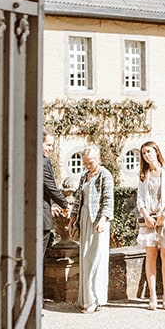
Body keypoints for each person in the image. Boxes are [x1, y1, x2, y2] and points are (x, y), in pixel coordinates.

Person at [135, 140, 165, 310]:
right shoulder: (143, 174)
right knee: (151, 255)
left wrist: (164, 214)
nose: (147, 155)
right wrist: (146, 215)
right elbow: (140, 197)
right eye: (144, 153)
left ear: (156, 152)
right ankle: (152, 295)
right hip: (149, 219)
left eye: (149, 152)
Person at [74, 144, 113, 314]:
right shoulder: (84, 176)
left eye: (90, 162)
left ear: (98, 159)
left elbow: (108, 200)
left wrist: (103, 220)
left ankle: (95, 299)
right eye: (85, 162)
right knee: (85, 259)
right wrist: (72, 220)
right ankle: (86, 298)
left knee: (96, 259)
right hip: (84, 218)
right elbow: (77, 199)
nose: (87, 165)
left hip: (98, 221)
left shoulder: (105, 175)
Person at [40, 132, 70, 280]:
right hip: (40, 219)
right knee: (38, 259)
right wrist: (66, 205)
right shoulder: (42, 162)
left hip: (38, 213)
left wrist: (50, 205)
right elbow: (50, 187)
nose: (50, 148)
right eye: (48, 145)